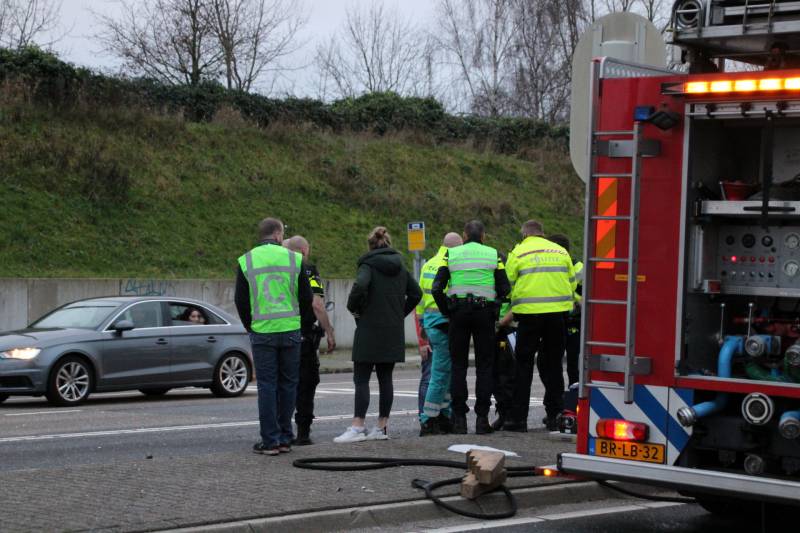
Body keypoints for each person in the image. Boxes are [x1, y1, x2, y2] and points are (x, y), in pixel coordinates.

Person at [334, 227, 422, 443]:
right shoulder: (400, 267)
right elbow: (416, 293)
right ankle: (381, 428)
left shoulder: (368, 265)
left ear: (370, 245)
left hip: (368, 328)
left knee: (361, 378)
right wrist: (398, 313)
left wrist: (355, 310)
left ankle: (357, 426)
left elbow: (360, 286)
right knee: (386, 379)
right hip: (392, 331)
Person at [235, 217, 313, 456]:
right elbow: (307, 297)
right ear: (279, 235)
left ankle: (270, 441)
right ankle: (285, 437)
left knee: (267, 387)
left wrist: (252, 326)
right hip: (290, 330)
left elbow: (240, 300)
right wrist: (298, 322)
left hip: (262, 331)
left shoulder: (246, 260)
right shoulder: (295, 259)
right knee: (289, 384)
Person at [431, 220, 511, 435]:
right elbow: (505, 288)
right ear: (483, 236)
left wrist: (447, 311)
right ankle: (482, 420)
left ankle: (459, 420)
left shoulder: (452, 254)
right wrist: (494, 309)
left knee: (459, 366)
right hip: (484, 314)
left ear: (464, 236)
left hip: (458, 313)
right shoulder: (493, 254)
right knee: (485, 365)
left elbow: (436, 288)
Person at [505, 220, 576, 432]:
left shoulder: (518, 252)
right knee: (554, 365)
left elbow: (507, 281)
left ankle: (519, 419)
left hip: (529, 316)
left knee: (523, 365)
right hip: (557, 315)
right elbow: (571, 282)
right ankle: (555, 415)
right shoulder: (561, 251)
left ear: (525, 235)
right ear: (542, 234)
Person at [283, 235, 336, 445]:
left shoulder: (279, 270)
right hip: (304, 337)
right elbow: (317, 304)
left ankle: (280, 430)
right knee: (306, 384)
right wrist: (329, 331)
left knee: (283, 384)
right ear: (305, 251)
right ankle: (303, 433)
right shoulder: (309, 270)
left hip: (280, 332)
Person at [417, 232, 463, 436]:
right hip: (444, 323)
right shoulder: (452, 264)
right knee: (441, 373)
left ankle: (443, 414)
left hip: (430, 323)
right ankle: (428, 419)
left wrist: (421, 332)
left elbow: (420, 301)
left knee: (446, 372)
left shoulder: (428, 264)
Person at [547, 233, 583, 387]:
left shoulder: (578, 267)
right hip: (560, 320)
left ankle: (573, 396)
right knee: (556, 363)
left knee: (572, 364)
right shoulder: (556, 268)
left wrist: (573, 296)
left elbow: (584, 296)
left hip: (573, 321)